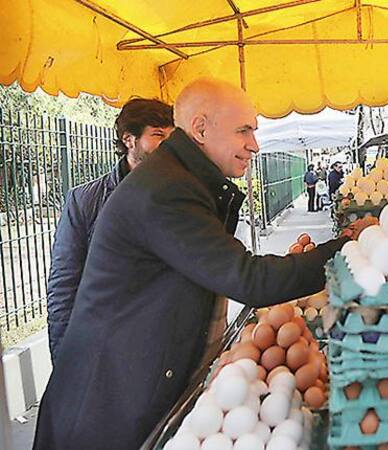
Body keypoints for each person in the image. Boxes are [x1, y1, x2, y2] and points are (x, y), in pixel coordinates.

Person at [33, 78, 370, 450]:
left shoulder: (180, 179)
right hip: (107, 408)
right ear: (200, 129)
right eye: (243, 131)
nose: (254, 145)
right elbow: (249, 279)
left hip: (126, 389)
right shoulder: (166, 191)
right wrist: (344, 248)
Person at [46, 98, 174, 364]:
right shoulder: (84, 201)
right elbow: (64, 286)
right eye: (158, 135)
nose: (167, 145)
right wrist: (65, 361)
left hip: (165, 345)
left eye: (172, 136)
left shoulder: (182, 196)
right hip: (107, 347)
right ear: (129, 140)